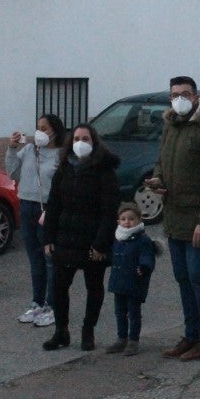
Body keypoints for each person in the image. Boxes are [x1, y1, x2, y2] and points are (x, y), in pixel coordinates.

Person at [147, 77, 200, 362]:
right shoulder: (171, 124)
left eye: (184, 94)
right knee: (183, 279)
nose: (178, 99)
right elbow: (162, 159)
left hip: (198, 220)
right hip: (174, 216)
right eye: (173, 95)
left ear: (195, 96)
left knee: (198, 279)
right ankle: (191, 335)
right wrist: (158, 178)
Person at [41, 123, 120, 352]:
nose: (80, 143)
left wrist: (100, 243)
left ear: (94, 142)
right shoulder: (64, 169)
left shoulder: (104, 171)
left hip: (92, 239)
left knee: (93, 287)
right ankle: (61, 331)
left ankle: (88, 331)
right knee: (58, 287)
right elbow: (53, 205)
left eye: (85, 139)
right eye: (76, 138)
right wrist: (48, 238)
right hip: (65, 238)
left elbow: (109, 210)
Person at [7, 114, 66, 326]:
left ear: (55, 131)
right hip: (27, 204)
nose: (40, 131)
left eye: (45, 128)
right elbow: (13, 173)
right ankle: (37, 302)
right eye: (38, 127)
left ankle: (52, 305)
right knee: (35, 258)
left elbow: (64, 185)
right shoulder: (30, 150)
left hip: (48, 208)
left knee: (50, 257)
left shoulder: (61, 155)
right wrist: (12, 149)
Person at [106, 202, 157, 356]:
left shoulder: (143, 240)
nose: (127, 222)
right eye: (123, 219)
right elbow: (112, 255)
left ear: (139, 220)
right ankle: (121, 338)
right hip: (118, 282)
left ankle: (133, 340)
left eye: (131, 219)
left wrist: (144, 267)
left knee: (133, 313)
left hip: (134, 282)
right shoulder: (117, 237)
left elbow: (147, 257)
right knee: (119, 312)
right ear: (118, 221)